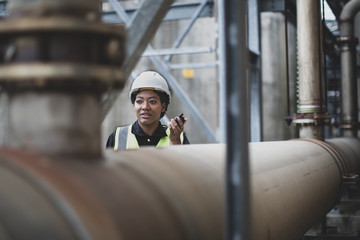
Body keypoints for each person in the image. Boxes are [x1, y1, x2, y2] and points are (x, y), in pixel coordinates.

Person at [106, 70, 190, 150]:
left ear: (163, 107)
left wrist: (175, 142)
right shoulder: (117, 138)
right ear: (134, 105)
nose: (145, 107)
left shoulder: (179, 138)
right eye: (139, 101)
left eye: (152, 101)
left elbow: (185, 165)